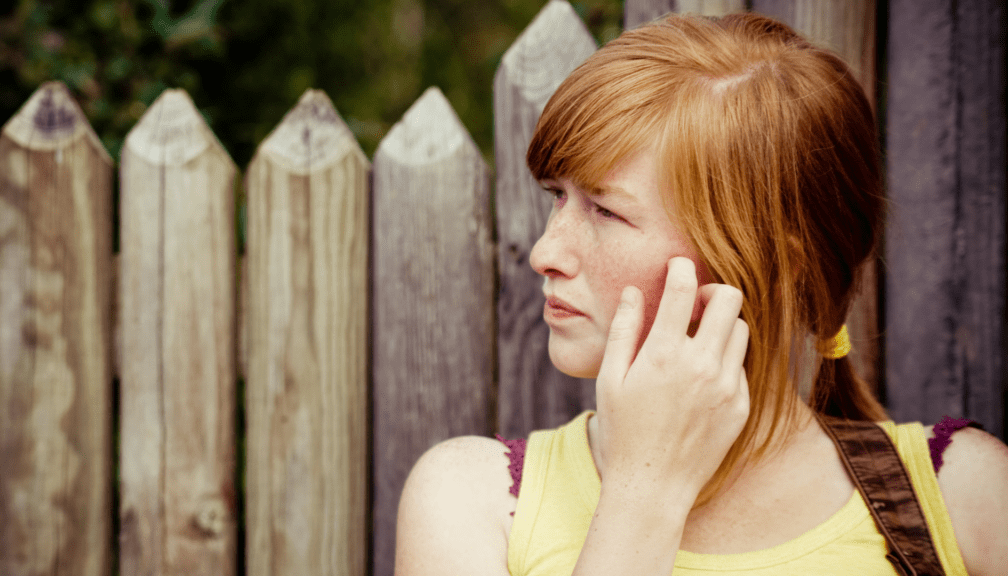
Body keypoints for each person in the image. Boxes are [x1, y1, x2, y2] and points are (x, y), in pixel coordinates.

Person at [393, 11, 1008, 576]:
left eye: (606, 211)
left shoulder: (966, 497)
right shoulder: (470, 502)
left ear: (775, 263)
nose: (544, 252)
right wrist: (646, 490)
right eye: (558, 196)